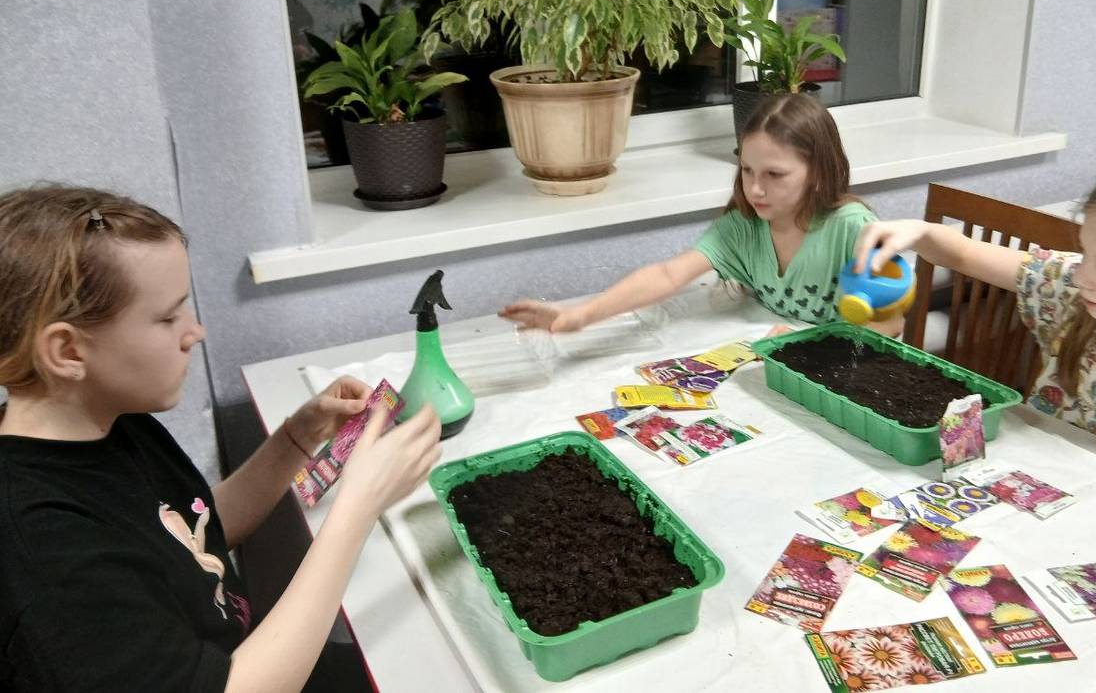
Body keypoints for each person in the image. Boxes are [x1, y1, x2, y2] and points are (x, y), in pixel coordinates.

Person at [0, 185, 443, 692]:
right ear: (67, 351)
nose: (195, 332)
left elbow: (194, 533)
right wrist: (358, 508)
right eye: (168, 317)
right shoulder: (43, 553)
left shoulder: (111, 421)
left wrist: (297, 438)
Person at [853, 156, 1096, 477]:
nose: (1082, 276)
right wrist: (920, 231)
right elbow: (963, 254)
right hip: (1027, 476)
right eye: (1084, 253)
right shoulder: (1068, 285)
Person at [500, 94, 901, 335]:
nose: (755, 189)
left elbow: (890, 325)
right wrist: (580, 315)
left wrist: (805, 350)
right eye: (747, 171)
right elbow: (668, 275)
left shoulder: (855, 230)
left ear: (818, 173)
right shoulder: (743, 227)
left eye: (775, 175)